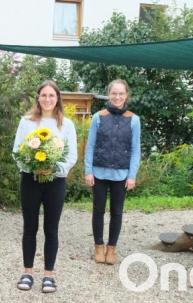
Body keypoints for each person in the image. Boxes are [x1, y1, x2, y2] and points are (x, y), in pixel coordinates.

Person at [12, 80, 77, 293]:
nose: (47, 99)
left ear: (57, 99)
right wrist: (32, 167)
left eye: (51, 95)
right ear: (38, 98)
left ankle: (49, 275)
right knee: (30, 227)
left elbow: (72, 156)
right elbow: (18, 151)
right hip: (30, 180)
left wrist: (52, 169)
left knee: (52, 228)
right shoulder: (27, 122)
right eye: (44, 95)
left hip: (55, 182)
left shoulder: (66, 125)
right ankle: (27, 272)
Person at [83, 79, 141, 265]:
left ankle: (111, 248)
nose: (117, 97)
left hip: (121, 175)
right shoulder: (98, 117)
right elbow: (90, 145)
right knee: (98, 211)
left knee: (117, 212)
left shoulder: (134, 119)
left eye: (121, 94)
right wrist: (88, 171)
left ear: (126, 95)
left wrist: (132, 175)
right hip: (98, 173)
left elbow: (135, 149)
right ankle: (98, 246)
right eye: (114, 93)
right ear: (109, 94)